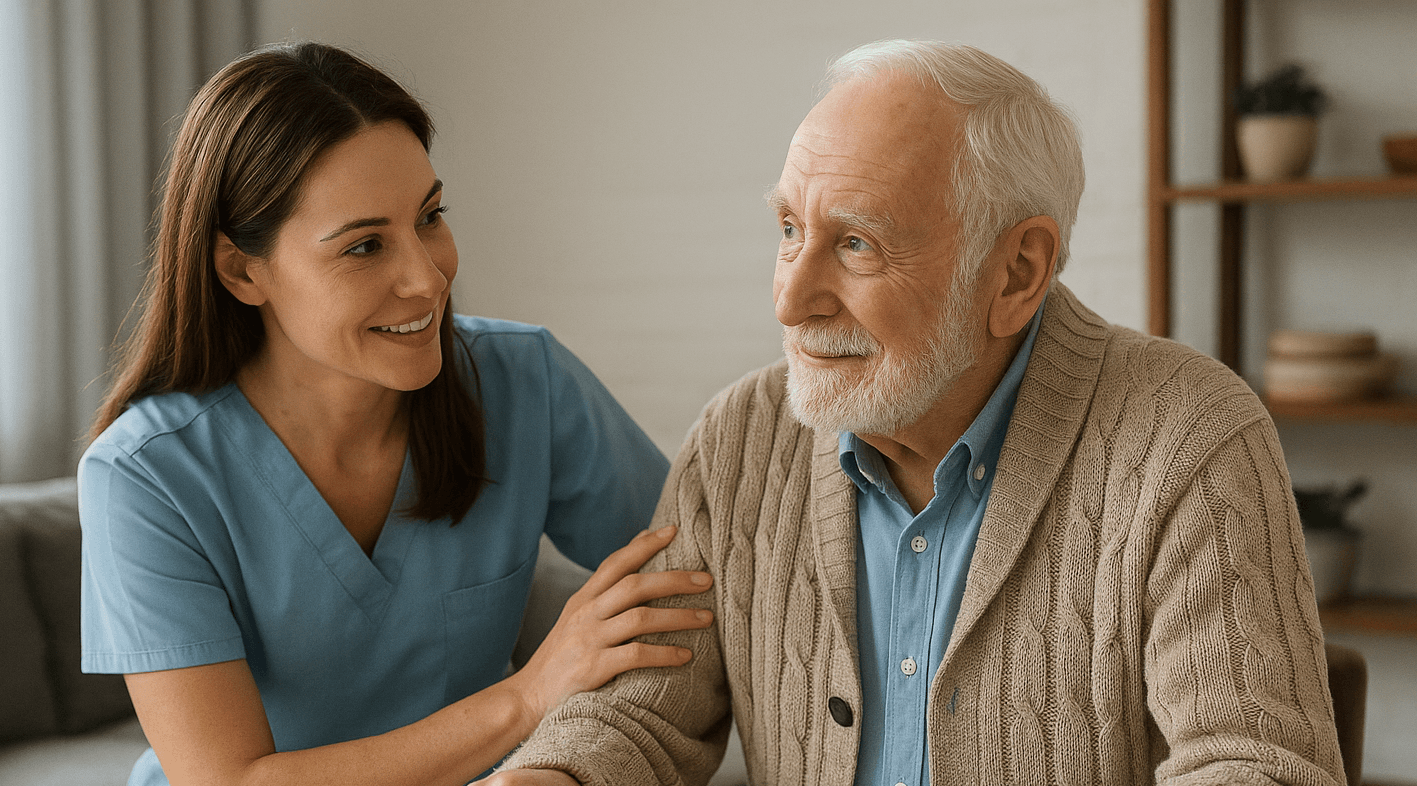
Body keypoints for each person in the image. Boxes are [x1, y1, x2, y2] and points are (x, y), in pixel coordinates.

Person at [487, 40, 1345, 786]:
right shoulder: (739, 439)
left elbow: (1255, 764)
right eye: (789, 227)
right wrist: (548, 775)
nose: (790, 298)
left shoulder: (1188, 438)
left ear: (1016, 273)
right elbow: (644, 716)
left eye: (856, 242)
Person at [78, 42, 714, 786]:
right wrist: (528, 696)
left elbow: (701, 587)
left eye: (431, 216)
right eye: (365, 246)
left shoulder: (525, 382)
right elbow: (232, 780)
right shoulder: (144, 478)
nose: (427, 276)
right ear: (241, 271)